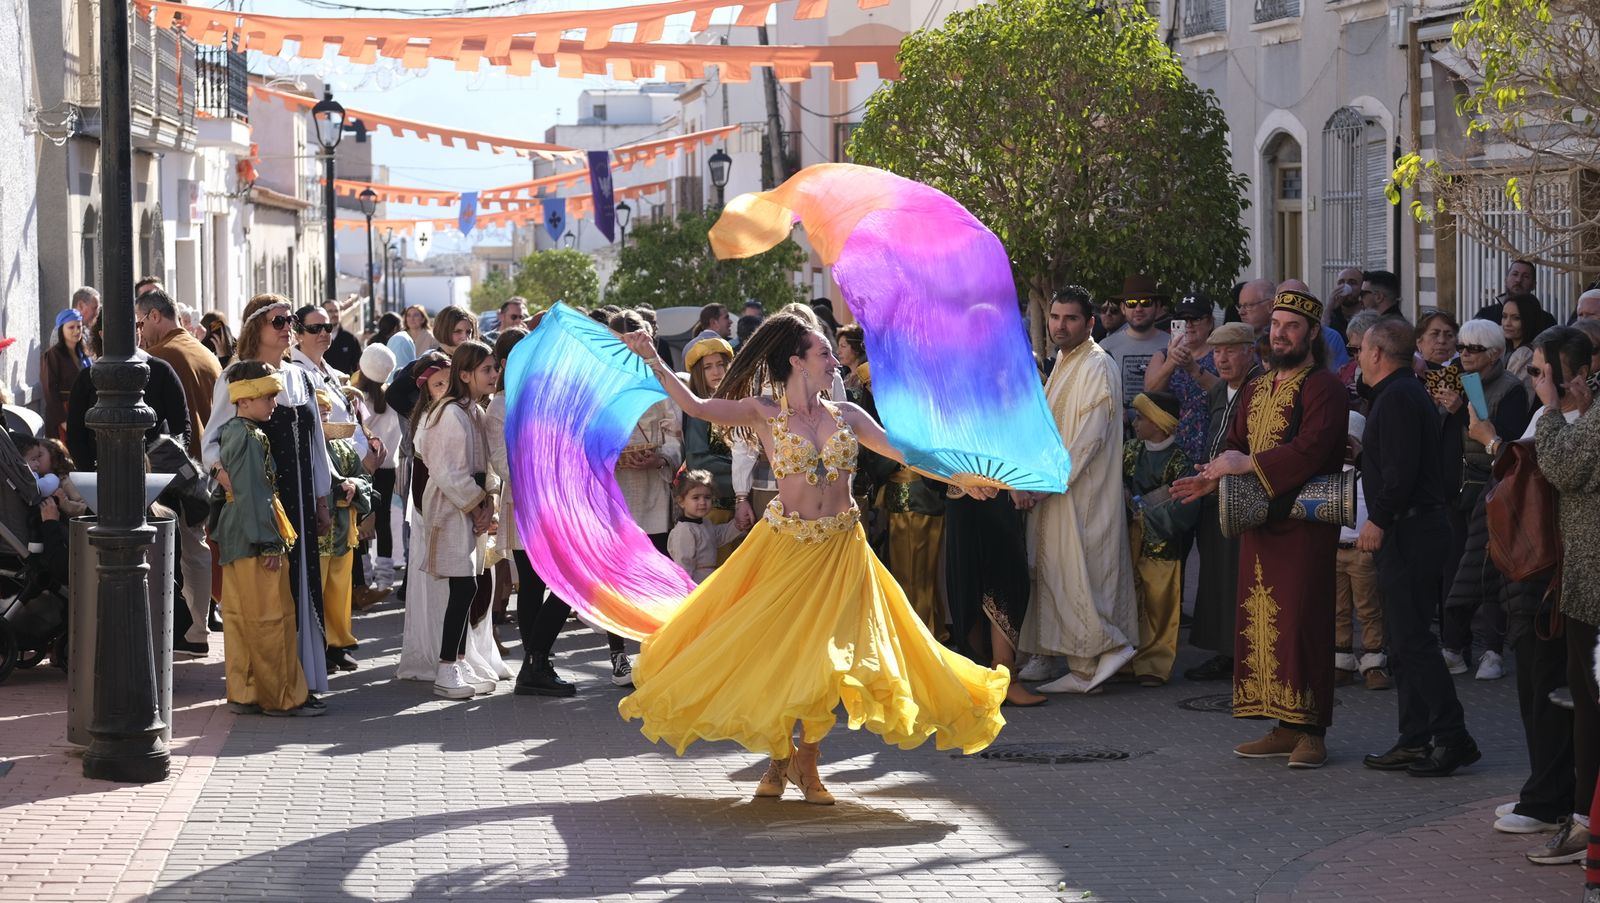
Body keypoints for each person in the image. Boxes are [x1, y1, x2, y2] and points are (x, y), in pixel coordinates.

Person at [614, 312, 1008, 805]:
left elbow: (906, 452)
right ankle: (781, 759)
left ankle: (808, 760)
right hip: (787, 548)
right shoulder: (764, 412)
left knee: (832, 658)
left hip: (843, 548)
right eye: (824, 354)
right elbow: (695, 404)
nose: (833, 363)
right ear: (797, 362)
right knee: (785, 653)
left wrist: (963, 478)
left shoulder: (848, 415)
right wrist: (652, 356)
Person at [1173, 289, 1347, 769]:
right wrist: (1208, 480)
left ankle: (1312, 730)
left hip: (1304, 525)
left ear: (1312, 332)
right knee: (1261, 622)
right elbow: (1232, 444)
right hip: (1259, 524)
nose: (1281, 334)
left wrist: (1247, 462)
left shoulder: (1324, 387)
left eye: (1292, 326)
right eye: (1275, 325)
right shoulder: (1257, 387)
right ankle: (1283, 724)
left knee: (1303, 624)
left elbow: (1313, 449)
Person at [1354, 317, 1480, 777]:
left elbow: (1402, 472)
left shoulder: (1401, 397)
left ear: (1377, 354)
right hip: (1415, 527)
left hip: (1412, 529)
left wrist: (1380, 519)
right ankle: (1414, 738)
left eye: (1361, 350)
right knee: (1403, 641)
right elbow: (1396, 459)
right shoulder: (1399, 394)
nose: (1357, 358)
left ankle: (1453, 736)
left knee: (1413, 641)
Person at [203, 295, 333, 699]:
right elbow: (213, 441)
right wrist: (226, 479)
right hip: (263, 505)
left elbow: (316, 446)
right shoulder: (236, 377)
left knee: (305, 587)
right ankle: (270, 685)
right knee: (269, 598)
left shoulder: (299, 376)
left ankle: (305, 679)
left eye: (290, 320)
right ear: (255, 326)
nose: (286, 327)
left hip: (301, 500)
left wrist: (323, 497)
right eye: (277, 320)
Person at [1015, 288, 1137, 693]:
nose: (1059, 325)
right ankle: (1074, 662)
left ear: (1090, 324)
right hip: (1056, 491)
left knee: (1083, 576)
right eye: (1054, 317)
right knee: (1058, 574)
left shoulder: (1096, 365)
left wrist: (1048, 484)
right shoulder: (1066, 362)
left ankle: (1100, 658)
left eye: (1070, 318)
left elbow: (1088, 439)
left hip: (1083, 495)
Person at [1527, 326, 1600, 865]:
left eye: (1539, 372)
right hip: (1580, 582)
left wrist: (1550, 411)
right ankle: (1582, 817)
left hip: (1594, 586)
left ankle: (1584, 825)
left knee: (1592, 707)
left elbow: (1563, 468)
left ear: (1572, 375)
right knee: (1583, 701)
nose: (1534, 382)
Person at [213, 360, 321, 717]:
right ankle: (282, 697)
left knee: (240, 616)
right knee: (272, 618)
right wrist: (270, 543)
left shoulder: (231, 431)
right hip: (254, 535)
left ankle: (245, 692)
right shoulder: (249, 436)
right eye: (267, 397)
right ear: (244, 399)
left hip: (236, 534)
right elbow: (255, 492)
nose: (274, 404)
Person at [1437, 318, 1530, 679]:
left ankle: (1492, 649)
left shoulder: (1510, 388)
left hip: (1487, 486)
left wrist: (1461, 407)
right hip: (1454, 488)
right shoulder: (1456, 380)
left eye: (1472, 349)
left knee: (1487, 569)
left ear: (1494, 354)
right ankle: (1453, 646)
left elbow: (1500, 436)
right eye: (1461, 347)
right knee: (1453, 568)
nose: (1463, 354)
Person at [135, 287, 223, 654]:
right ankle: (200, 629)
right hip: (205, 470)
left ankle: (188, 630)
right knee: (198, 550)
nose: (139, 331)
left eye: (141, 322)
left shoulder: (160, 358)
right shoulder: (204, 353)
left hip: (177, 472)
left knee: (176, 552)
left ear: (156, 316)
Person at [417, 340, 502, 700]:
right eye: (486, 369)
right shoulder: (450, 412)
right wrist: (476, 505)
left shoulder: (474, 411)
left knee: (468, 585)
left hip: (469, 507)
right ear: (464, 375)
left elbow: (486, 464)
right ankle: (446, 665)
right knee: (463, 586)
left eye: (495, 367)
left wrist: (489, 502)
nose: (494, 374)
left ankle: (459, 659)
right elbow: (447, 469)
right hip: (450, 508)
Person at [1184, 322, 1262, 682]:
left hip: (1246, 497)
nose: (1223, 358)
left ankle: (1246, 654)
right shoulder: (1221, 391)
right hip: (1212, 494)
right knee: (1216, 575)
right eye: (1217, 351)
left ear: (1250, 350)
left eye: (1231, 350)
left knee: (1241, 576)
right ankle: (1225, 651)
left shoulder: (1260, 388)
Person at [1121, 391, 1200, 687]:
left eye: (1141, 417)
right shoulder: (1130, 450)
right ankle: (1126, 660)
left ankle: (1154, 664)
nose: (1135, 422)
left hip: (1161, 542)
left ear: (1159, 423)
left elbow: (1185, 504)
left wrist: (1145, 514)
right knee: (1130, 598)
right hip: (1129, 539)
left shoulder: (1181, 461)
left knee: (1159, 602)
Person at [1333, 411, 1390, 691]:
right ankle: (1341, 659)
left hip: (1362, 551)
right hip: (1334, 550)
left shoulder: (1368, 472)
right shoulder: (1328, 473)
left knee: (1368, 608)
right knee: (1338, 608)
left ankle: (1373, 661)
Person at [681, 336, 743, 553]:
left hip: (744, 504)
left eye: (721, 364)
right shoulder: (699, 411)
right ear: (699, 373)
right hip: (714, 506)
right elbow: (697, 458)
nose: (716, 371)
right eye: (708, 367)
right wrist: (741, 465)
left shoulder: (740, 404)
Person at [1144, 292, 1220, 464]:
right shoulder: (1162, 356)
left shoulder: (1221, 354)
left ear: (1209, 322)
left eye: (1195, 319)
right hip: (1169, 450)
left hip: (1210, 444)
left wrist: (1193, 368)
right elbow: (1150, 395)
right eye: (1183, 320)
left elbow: (1226, 394)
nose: (1189, 325)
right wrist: (1171, 362)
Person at [351, 345, 402, 595]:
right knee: (382, 522)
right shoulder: (391, 398)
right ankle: (385, 578)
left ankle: (364, 576)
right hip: (388, 467)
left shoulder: (355, 397)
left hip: (362, 467)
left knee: (360, 520)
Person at [1098, 274, 1170, 424]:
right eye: (1131, 303)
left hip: (1162, 431)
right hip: (1118, 433)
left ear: (1157, 307)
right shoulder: (1105, 347)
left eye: (1146, 302)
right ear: (1123, 308)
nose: (1138, 308)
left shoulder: (1172, 345)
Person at [667, 470, 749, 581]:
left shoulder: (705, 523)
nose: (702, 502)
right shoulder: (684, 531)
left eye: (707, 497)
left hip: (709, 578)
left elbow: (719, 536)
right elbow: (683, 563)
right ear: (681, 501)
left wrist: (738, 525)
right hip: (696, 581)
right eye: (696, 498)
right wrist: (688, 588)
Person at [41, 309, 90, 441]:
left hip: (84, 411)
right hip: (64, 412)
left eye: (79, 327)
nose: (76, 331)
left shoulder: (84, 355)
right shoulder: (52, 355)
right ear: (61, 329)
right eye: (71, 327)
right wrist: (63, 421)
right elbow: (49, 391)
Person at [1473, 259, 1538, 324]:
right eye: (1515, 274)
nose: (1518, 280)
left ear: (1533, 285)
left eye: (1526, 276)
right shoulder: (1485, 316)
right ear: (1505, 280)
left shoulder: (1544, 320)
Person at [1327, 267, 1365, 337]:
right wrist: (1329, 308)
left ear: (1362, 287)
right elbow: (1321, 336)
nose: (1346, 286)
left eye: (1352, 283)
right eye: (1341, 282)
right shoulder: (1331, 314)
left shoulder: (1368, 315)